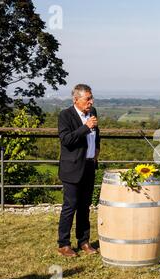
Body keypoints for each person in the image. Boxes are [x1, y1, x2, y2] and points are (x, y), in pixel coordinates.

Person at [57, 84, 100, 257]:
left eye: (91, 98)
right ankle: (64, 244)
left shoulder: (93, 112)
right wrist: (86, 127)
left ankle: (83, 241)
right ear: (76, 100)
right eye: (87, 99)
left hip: (89, 166)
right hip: (72, 168)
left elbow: (97, 135)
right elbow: (66, 140)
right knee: (70, 206)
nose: (91, 102)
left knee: (85, 207)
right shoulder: (65, 115)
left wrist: (97, 150)